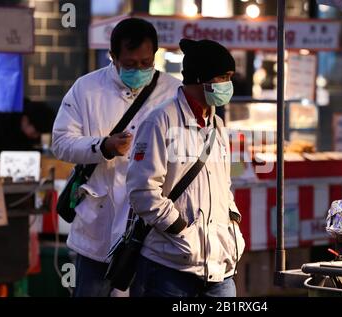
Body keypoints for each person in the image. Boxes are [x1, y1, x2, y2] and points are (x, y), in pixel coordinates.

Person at [51, 18, 181, 297]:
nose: (139, 70)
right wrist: (103, 147)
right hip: (99, 223)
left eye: (146, 63)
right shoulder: (86, 89)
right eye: (130, 64)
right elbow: (61, 143)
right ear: (113, 57)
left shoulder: (173, 92)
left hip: (152, 229)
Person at [126, 39, 245, 297]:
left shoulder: (218, 125)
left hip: (219, 268)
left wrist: (233, 226)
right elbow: (142, 191)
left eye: (230, 77)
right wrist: (181, 232)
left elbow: (223, 186)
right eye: (223, 76)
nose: (228, 84)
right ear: (200, 78)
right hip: (169, 268)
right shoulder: (160, 121)